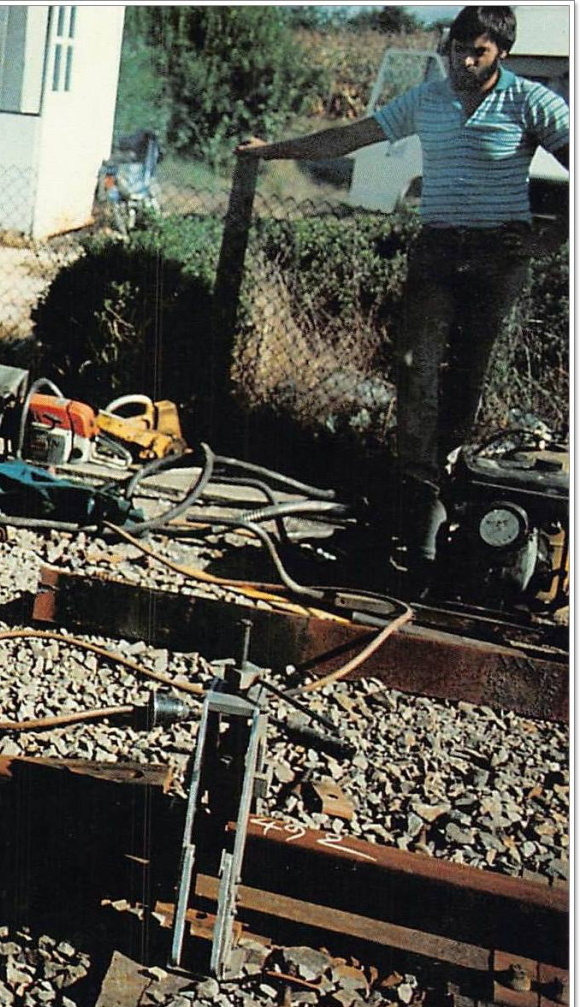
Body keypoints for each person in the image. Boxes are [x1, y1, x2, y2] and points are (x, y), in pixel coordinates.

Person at [238, 5, 568, 582]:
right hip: (438, 249)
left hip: (496, 258)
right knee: (415, 364)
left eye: (479, 52)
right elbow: (352, 136)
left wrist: (551, 238)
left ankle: (451, 497)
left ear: (503, 54)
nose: (464, 62)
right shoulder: (428, 100)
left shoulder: (532, 103)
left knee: (467, 373)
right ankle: (418, 492)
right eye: (456, 49)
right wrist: (273, 150)